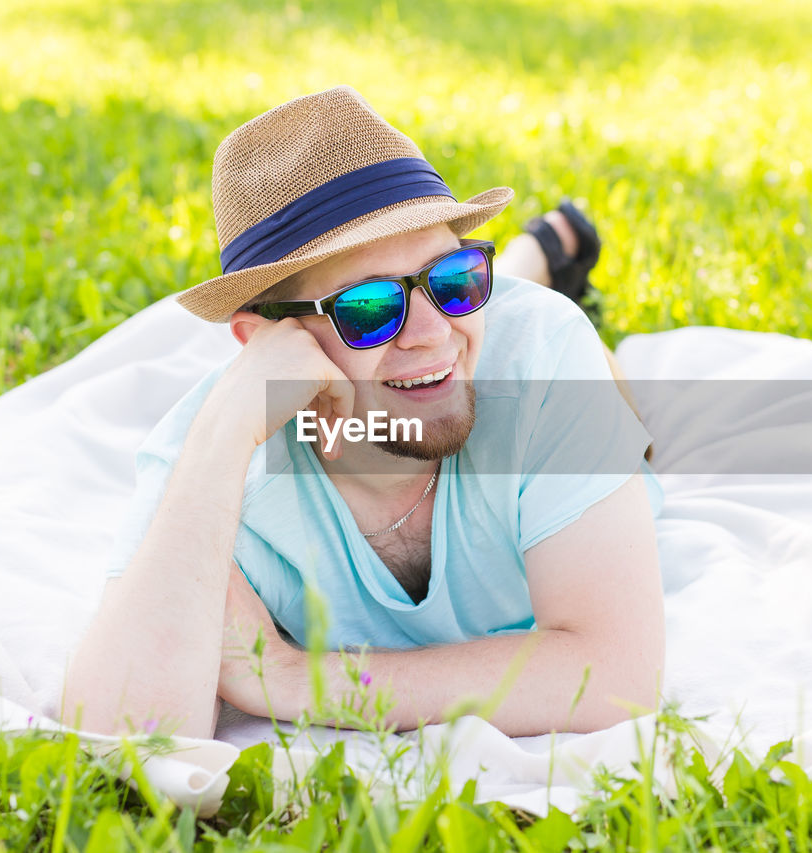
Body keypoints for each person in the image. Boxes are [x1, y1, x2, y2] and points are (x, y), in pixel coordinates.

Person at [61, 86, 665, 740]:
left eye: (458, 276)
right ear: (260, 342)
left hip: (554, 371)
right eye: (369, 309)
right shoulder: (211, 460)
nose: (433, 331)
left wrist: (295, 677)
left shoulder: (543, 352)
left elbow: (616, 677)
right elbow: (122, 734)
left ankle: (533, 257)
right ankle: (526, 255)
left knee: (596, 375)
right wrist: (225, 430)